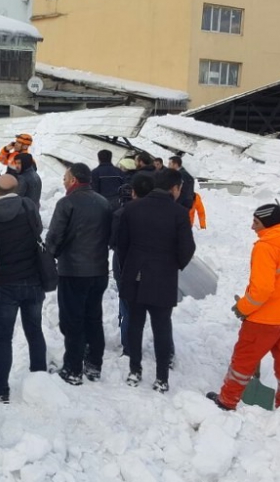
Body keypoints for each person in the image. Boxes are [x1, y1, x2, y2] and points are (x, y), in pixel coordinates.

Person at [207, 204, 280, 411]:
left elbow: (262, 290)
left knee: (243, 362)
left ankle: (227, 400)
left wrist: (243, 307)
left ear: (268, 223)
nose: (252, 227)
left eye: (256, 222)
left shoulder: (265, 246)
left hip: (265, 320)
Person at [116, 169, 196, 393]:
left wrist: (129, 265)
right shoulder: (179, 213)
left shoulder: (131, 208)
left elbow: (121, 245)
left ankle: (135, 370)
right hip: (163, 277)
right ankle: (162, 378)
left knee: (134, 324)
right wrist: (174, 264)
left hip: (135, 274)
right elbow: (187, 248)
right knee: (161, 327)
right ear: (174, 188)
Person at [45, 163, 112, 385]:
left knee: (72, 320)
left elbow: (55, 236)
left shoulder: (67, 203)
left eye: (65, 177)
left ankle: (73, 369)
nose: (64, 181)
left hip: (73, 271)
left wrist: (48, 257)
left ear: (73, 180)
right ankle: (94, 364)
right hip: (99, 270)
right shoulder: (103, 203)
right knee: (93, 317)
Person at [0, 175, 45, 403]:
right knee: (35, 331)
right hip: (33, 278)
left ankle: (0, 388)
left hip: (5, 282)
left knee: (3, 337)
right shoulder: (27, 206)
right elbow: (37, 231)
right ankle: (40, 380)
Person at [110, 173, 156, 356]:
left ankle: (128, 344)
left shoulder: (119, 214)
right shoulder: (155, 214)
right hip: (148, 266)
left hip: (123, 265)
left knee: (126, 305)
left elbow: (113, 242)